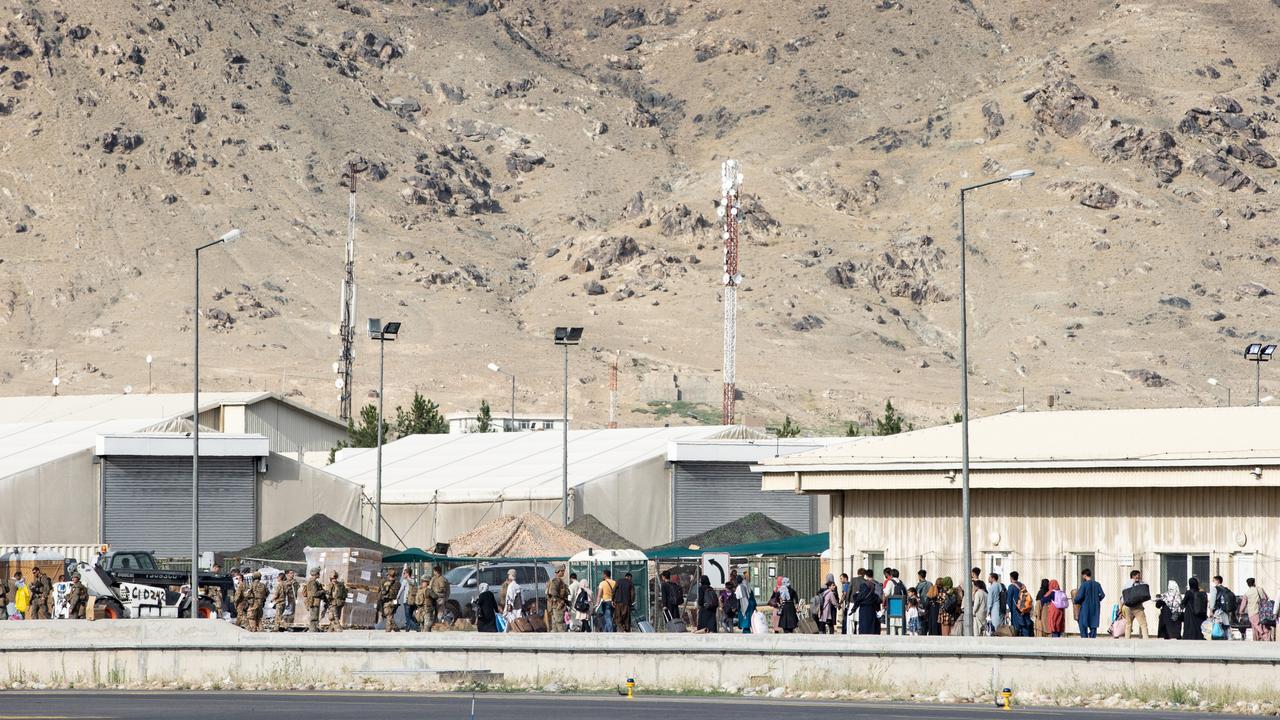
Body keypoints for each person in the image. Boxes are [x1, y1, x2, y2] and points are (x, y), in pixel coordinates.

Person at [1073, 568, 1105, 638]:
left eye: (1082, 575)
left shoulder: (1084, 585)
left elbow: (1079, 596)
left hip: (1085, 607)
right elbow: (1102, 595)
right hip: (1095, 607)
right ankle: (1092, 638)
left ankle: (1084, 639)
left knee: (1083, 623)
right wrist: (1097, 600)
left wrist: (1075, 601)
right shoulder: (1097, 584)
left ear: (1085, 575)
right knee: (1094, 623)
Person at [1122, 569, 1150, 640]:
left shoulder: (1126, 584)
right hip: (1137, 607)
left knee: (1128, 624)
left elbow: (1122, 598)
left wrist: (1121, 608)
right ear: (1133, 576)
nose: (1138, 577)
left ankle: (1127, 639)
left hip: (1127, 607)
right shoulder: (1141, 583)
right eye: (1137, 576)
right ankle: (1146, 639)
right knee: (1143, 624)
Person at [1243, 577, 1271, 642]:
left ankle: (1257, 641)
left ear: (1247, 584)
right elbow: (1266, 598)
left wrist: (1241, 612)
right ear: (1254, 583)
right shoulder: (1260, 589)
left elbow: (1243, 604)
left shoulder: (1247, 593)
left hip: (1252, 613)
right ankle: (1267, 639)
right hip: (1263, 612)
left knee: (1255, 628)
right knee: (1264, 626)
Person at [854, 570, 880, 635]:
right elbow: (879, 598)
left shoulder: (864, 584)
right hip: (874, 608)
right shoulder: (877, 584)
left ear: (866, 575)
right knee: (872, 626)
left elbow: (859, 597)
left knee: (864, 625)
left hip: (864, 608)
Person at [545, 566, 570, 633]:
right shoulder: (556, 581)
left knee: (555, 623)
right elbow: (553, 592)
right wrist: (560, 601)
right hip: (557, 605)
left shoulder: (558, 580)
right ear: (558, 572)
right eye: (562, 571)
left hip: (556, 605)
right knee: (559, 623)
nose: (563, 572)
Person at [1007, 571, 1032, 637]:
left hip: (1016, 609)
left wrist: (1008, 610)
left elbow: (1009, 600)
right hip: (1025, 608)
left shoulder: (1011, 587)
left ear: (1011, 578)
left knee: (1016, 626)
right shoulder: (1022, 585)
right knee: (1025, 625)